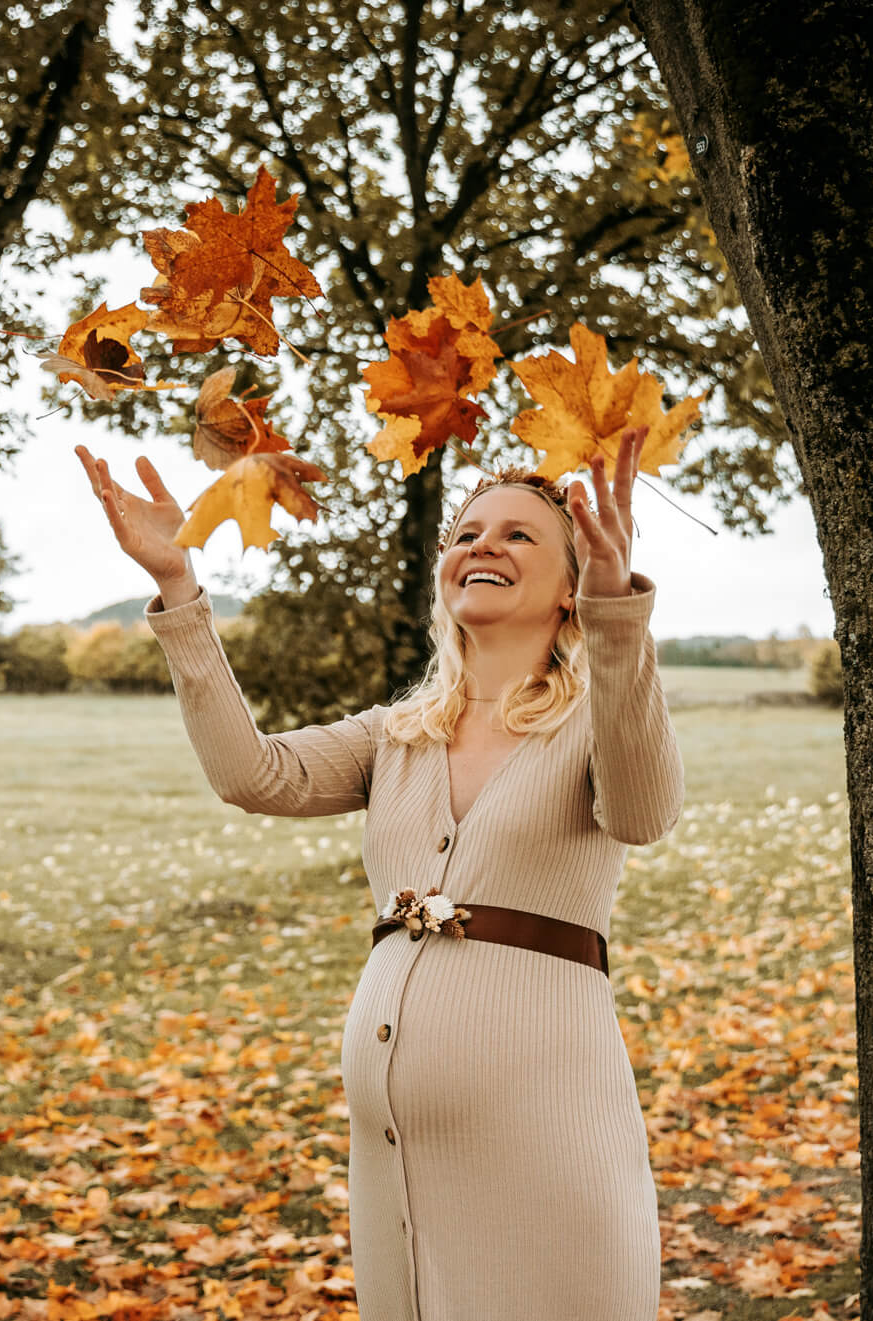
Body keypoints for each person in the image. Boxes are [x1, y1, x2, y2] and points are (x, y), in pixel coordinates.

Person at [74, 429, 684, 1320]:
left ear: (569, 589)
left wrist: (618, 614)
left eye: (520, 534)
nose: (483, 544)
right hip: (394, 1156)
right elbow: (253, 774)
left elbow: (643, 813)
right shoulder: (395, 734)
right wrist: (178, 589)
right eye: (469, 532)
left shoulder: (598, 722)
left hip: (546, 1138)